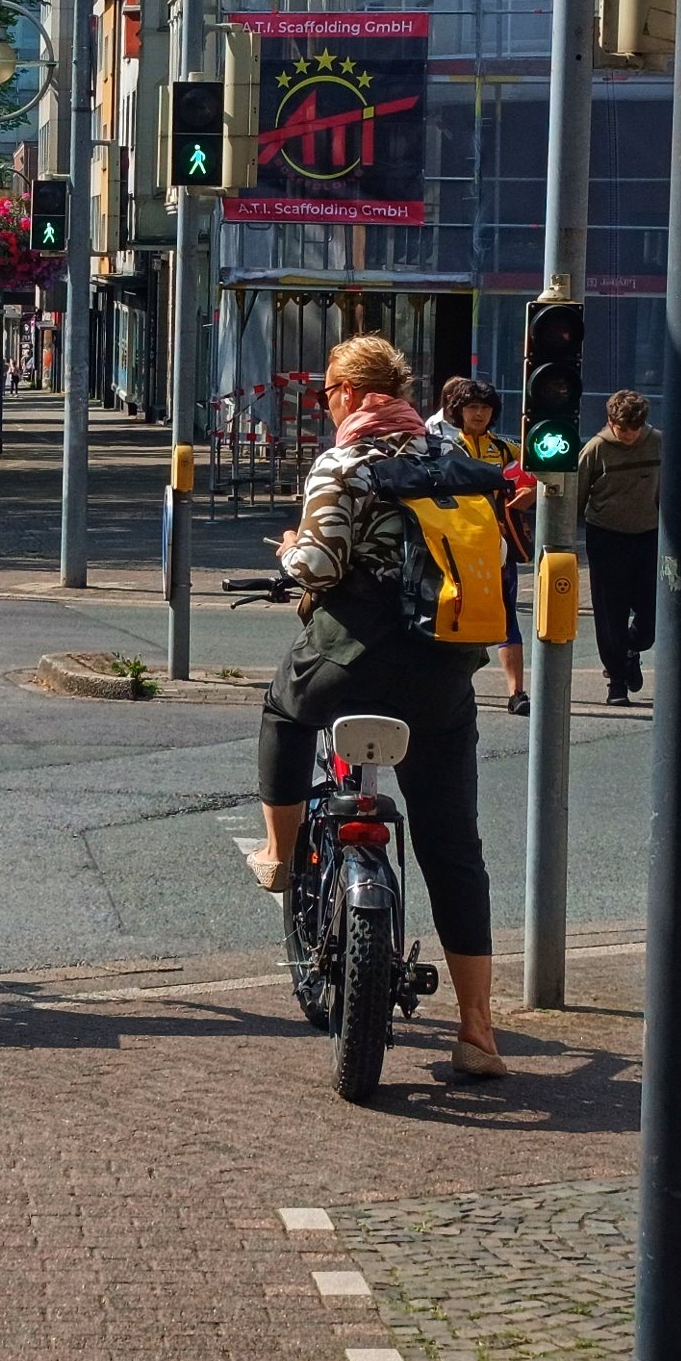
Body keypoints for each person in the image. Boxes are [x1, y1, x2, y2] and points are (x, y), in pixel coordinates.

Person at [266, 334, 501, 1085]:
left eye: (330, 387)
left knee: (282, 709)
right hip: (443, 671)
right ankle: (477, 1030)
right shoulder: (454, 462)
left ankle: (278, 853)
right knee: (452, 847)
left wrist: (287, 554)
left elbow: (322, 564)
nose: (326, 399)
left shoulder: (346, 461)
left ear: (350, 391)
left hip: (353, 661)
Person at [437, 373, 536, 714]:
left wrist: (533, 491)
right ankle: (451, 687)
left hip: (499, 547)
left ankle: (517, 692)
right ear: (458, 410)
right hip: (455, 546)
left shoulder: (506, 447)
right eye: (472, 407)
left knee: (507, 615)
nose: (478, 414)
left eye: (485, 407)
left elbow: (550, 474)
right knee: (454, 613)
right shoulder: (444, 445)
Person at [580, 387, 662, 708]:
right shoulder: (596, 449)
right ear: (610, 422)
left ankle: (631, 647)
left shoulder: (657, 443)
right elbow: (577, 496)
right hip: (606, 535)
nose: (628, 435)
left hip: (648, 534)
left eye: (635, 428)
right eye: (622, 428)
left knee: (651, 612)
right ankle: (616, 680)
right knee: (610, 610)